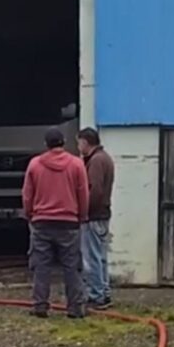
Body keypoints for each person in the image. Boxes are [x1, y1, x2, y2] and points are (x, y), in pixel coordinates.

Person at [22, 127, 89, 319]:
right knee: (71, 267)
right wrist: (82, 216)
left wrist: (29, 214)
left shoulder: (35, 164)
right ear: (64, 142)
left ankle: (40, 305)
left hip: (41, 222)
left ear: (46, 144)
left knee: (41, 266)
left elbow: (27, 194)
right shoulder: (76, 164)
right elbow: (83, 193)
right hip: (69, 223)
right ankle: (75, 308)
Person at [77, 127, 115, 310]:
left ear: (85, 142)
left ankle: (96, 295)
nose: (78, 147)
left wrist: (84, 211)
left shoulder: (96, 161)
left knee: (91, 258)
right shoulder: (105, 158)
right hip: (103, 214)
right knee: (101, 257)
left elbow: (95, 190)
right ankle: (104, 292)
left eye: (79, 142)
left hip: (93, 216)